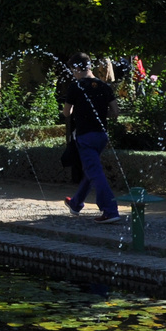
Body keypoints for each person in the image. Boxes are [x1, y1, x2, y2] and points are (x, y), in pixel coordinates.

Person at [58, 52, 123, 224]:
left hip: (85, 136)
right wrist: (99, 115)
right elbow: (115, 112)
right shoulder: (104, 86)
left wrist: (76, 112)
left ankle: (110, 210)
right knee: (90, 169)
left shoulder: (76, 86)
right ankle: (76, 203)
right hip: (101, 136)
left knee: (95, 172)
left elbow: (66, 112)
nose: (73, 73)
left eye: (73, 70)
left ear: (76, 68)